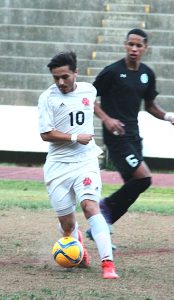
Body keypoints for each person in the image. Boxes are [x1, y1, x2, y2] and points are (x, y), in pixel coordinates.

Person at [86, 28, 174, 239]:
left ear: (146, 48)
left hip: (134, 136)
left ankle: (99, 226)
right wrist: (107, 119)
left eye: (139, 45)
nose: (134, 48)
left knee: (135, 185)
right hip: (117, 137)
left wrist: (168, 117)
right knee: (144, 179)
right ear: (125, 45)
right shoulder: (112, 71)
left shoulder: (147, 74)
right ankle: (103, 211)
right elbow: (89, 98)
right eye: (131, 44)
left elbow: (150, 105)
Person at [38, 51, 118, 279]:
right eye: (56, 78)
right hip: (58, 166)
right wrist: (75, 137)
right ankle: (77, 246)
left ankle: (108, 264)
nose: (61, 82)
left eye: (65, 76)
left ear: (76, 73)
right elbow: (45, 134)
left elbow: (90, 106)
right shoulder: (47, 98)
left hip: (85, 161)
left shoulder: (89, 90)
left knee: (90, 206)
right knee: (66, 225)